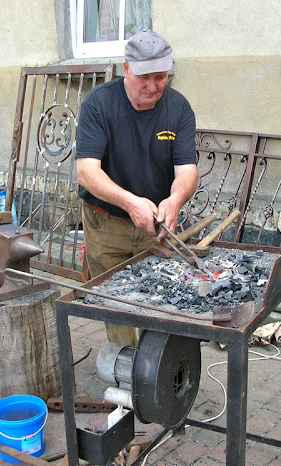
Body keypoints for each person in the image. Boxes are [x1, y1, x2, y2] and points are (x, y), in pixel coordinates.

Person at [75, 29, 198, 347]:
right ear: (126, 68)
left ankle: (154, 372)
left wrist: (175, 198)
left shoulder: (178, 108)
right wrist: (130, 202)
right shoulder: (99, 105)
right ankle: (125, 371)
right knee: (117, 303)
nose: (153, 86)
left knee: (158, 299)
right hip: (106, 222)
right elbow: (87, 171)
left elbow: (186, 171)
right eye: (145, 77)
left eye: (161, 77)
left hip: (156, 224)